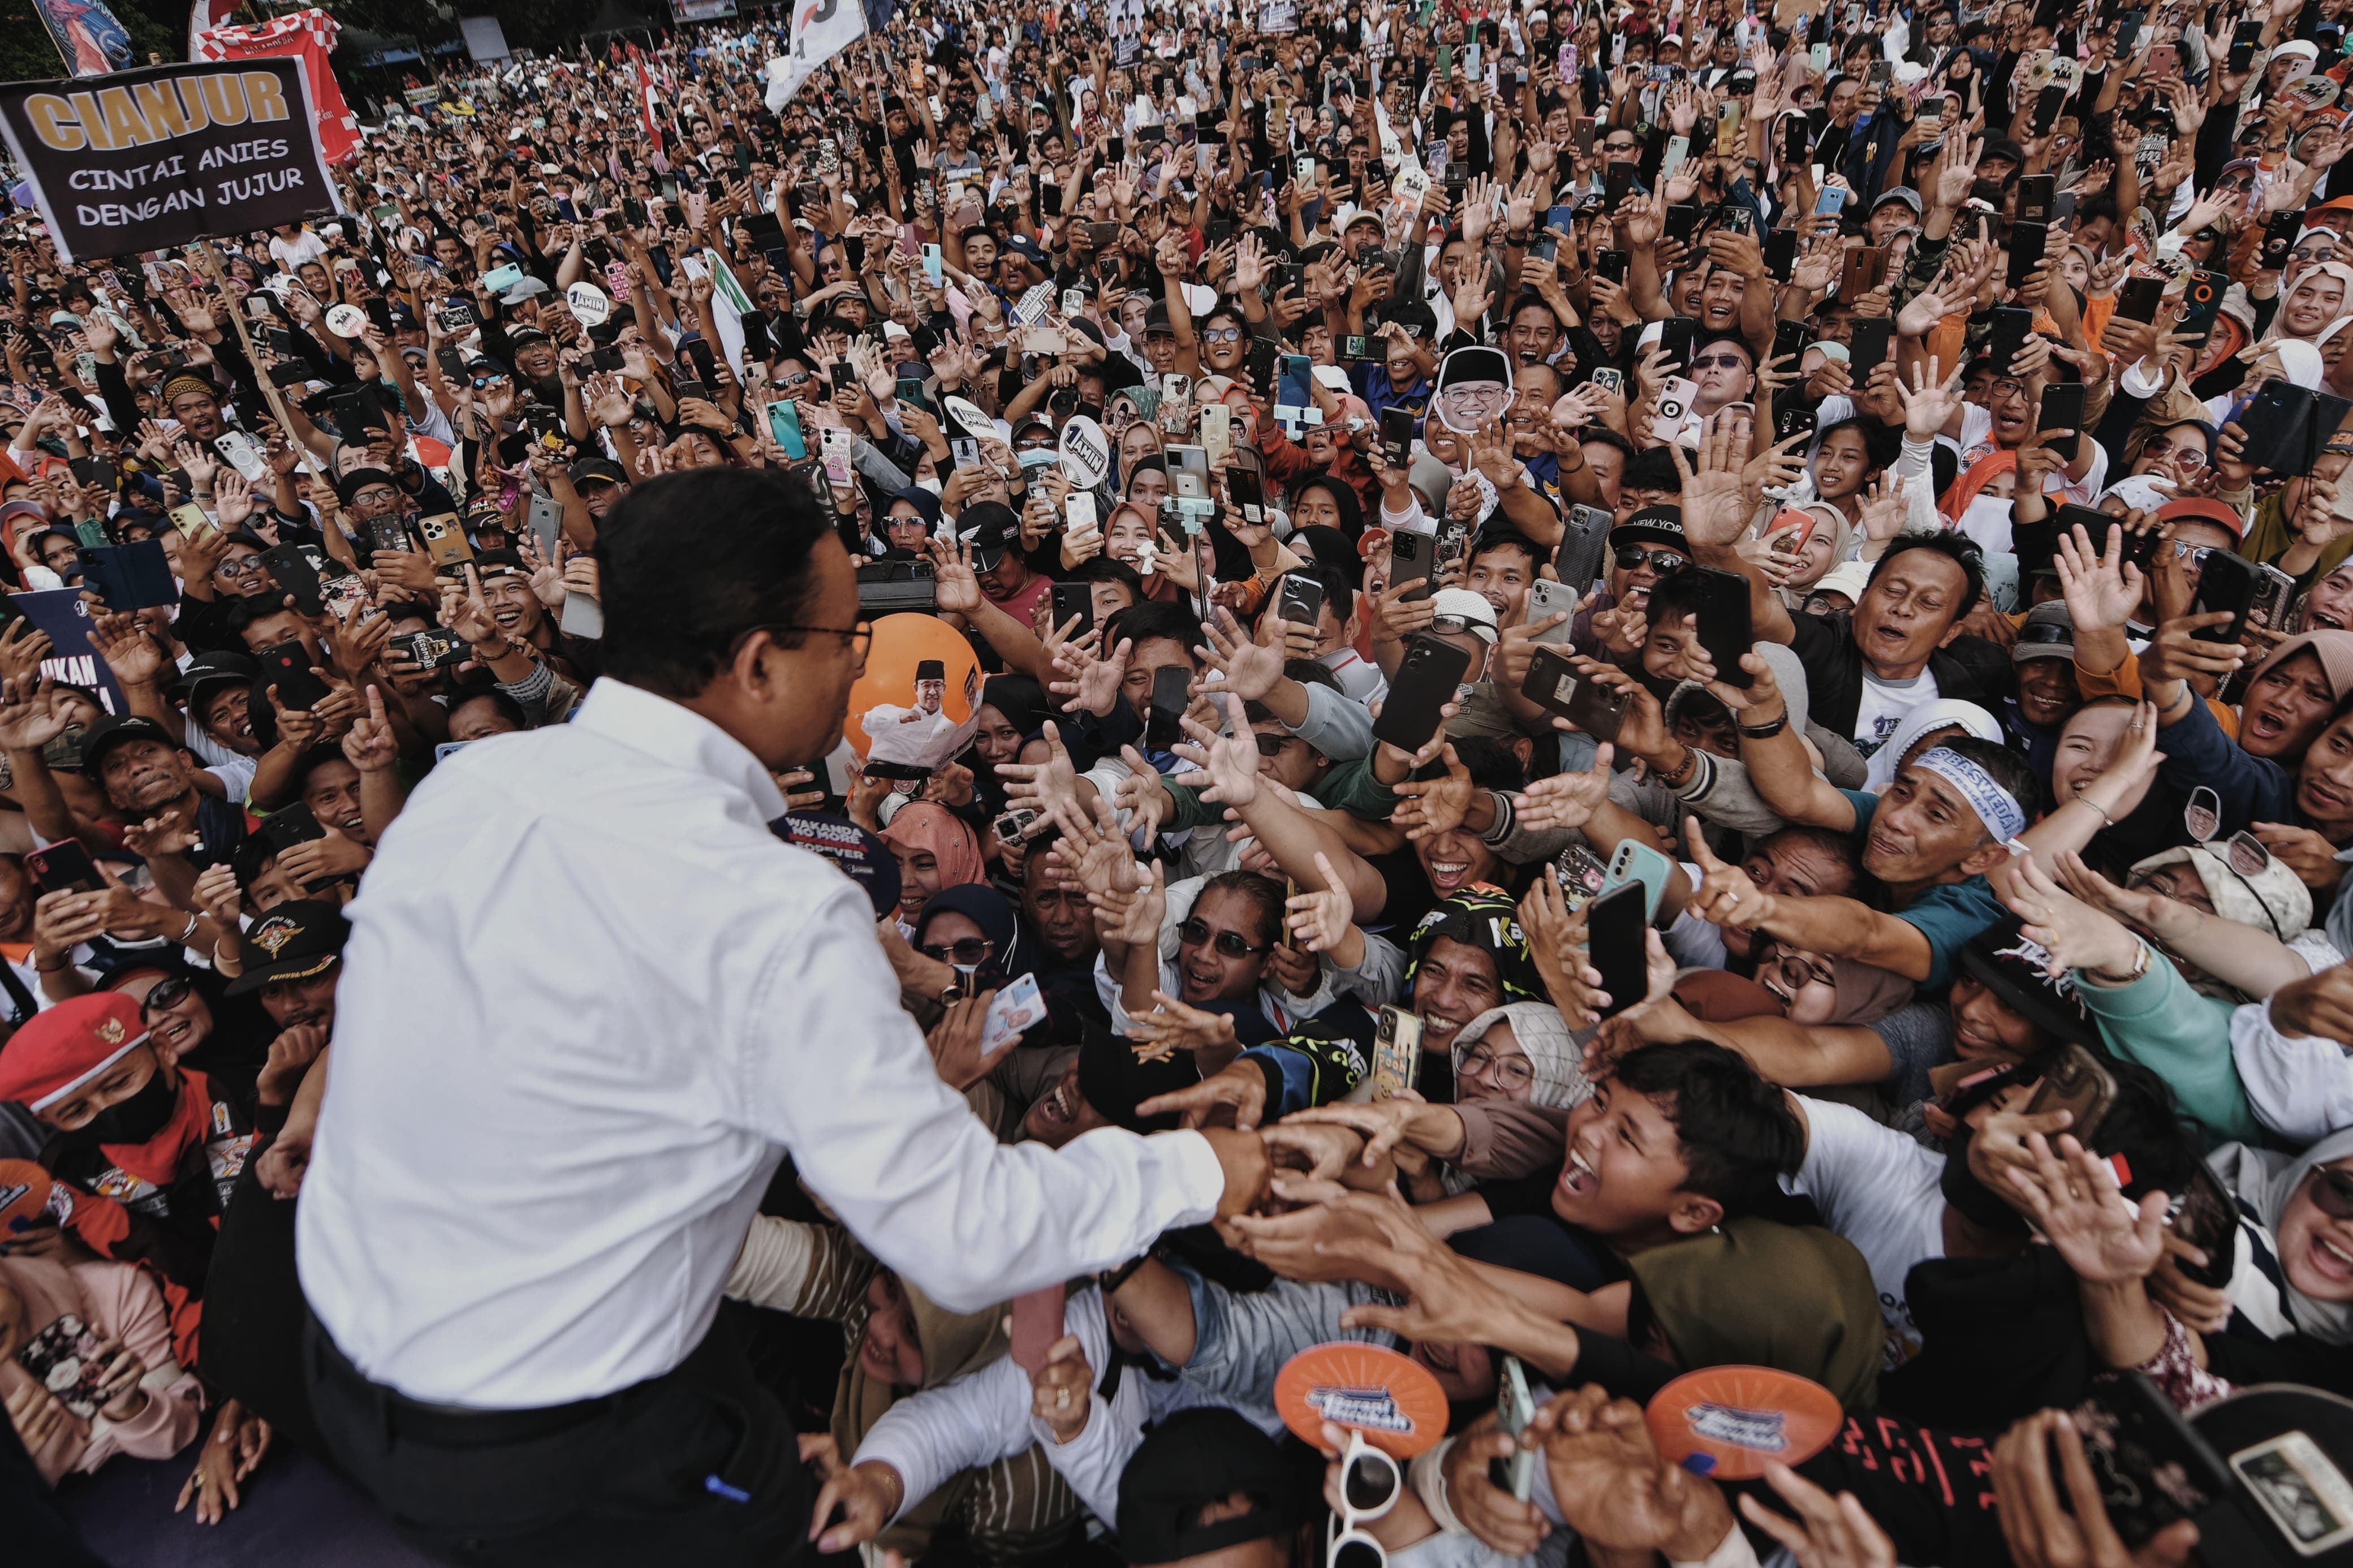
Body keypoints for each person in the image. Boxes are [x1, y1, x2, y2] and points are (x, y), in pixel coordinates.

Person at [294, 467, 1274, 1566]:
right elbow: (961, 1234)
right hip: (559, 1434)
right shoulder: (769, 907)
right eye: (846, 633)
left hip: (349, 1358)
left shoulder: (472, 787)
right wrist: (1208, 1174)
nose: (860, 659)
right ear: (758, 664)